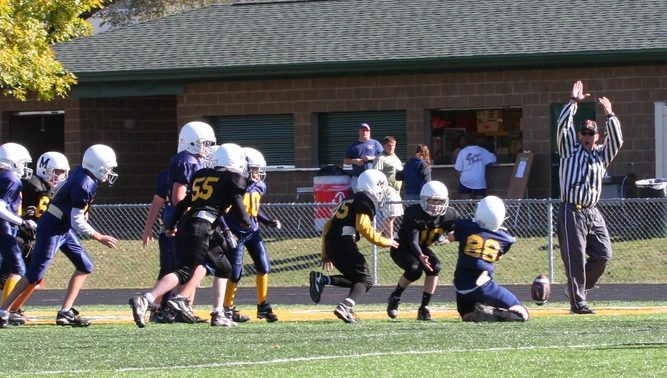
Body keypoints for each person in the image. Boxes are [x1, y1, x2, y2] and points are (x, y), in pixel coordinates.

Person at [129, 143, 252, 328]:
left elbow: (183, 203)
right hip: (202, 226)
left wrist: (171, 226)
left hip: (193, 223)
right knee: (185, 271)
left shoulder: (202, 175)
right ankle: (147, 299)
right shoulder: (233, 178)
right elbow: (238, 206)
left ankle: (218, 313)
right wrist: (246, 221)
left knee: (224, 267)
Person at [0, 144, 119, 328]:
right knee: (34, 274)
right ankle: (4, 310)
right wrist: (98, 236)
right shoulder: (84, 182)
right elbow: (77, 219)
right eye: (109, 167)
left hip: (63, 226)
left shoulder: (84, 175)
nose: (110, 171)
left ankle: (65, 312)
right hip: (52, 227)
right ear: (99, 166)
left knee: (85, 265)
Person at [557, 80, 623, 315]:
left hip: (592, 210)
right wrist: (573, 102)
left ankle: (578, 289)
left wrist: (610, 115)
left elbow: (617, 142)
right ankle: (578, 302)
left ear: (597, 136)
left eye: (591, 134)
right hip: (571, 210)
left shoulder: (601, 155)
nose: (587, 136)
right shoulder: (569, 150)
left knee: (604, 254)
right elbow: (561, 128)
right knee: (574, 258)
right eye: (584, 132)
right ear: (579, 134)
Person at [308, 169, 399, 323]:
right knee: (365, 281)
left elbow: (327, 227)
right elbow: (363, 227)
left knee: (356, 279)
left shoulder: (349, 199)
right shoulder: (366, 199)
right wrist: (385, 241)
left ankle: (322, 280)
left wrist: (325, 253)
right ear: (377, 186)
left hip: (333, 241)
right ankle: (345, 307)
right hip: (345, 243)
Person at [6, 151, 70, 325]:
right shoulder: (33, 185)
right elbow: (27, 211)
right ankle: (7, 310)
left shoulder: (48, 188)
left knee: (34, 275)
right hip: (19, 235)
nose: (59, 176)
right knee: (15, 273)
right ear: (44, 168)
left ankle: (14, 308)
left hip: (32, 236)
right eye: (56, 171)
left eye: (62, 172)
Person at [222, 147, 281, 323]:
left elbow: (253, 210)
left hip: (253, 231)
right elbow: (223, 212)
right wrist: (226, 231)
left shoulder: (259, 186)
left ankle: (263, 305)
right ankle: (227, 307)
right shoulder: (235, 185)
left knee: (264, 266)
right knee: (235, 272)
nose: (258, 173)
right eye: (255, 169)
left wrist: (267, 221)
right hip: (236, 232)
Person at [448, 195, 529, 322]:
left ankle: (491, 314)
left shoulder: (466, 227)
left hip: (461, 287)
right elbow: (498, 256)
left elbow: (450, 237)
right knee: (518, 308)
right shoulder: (505, 238)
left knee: (467, 316)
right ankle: (504, 313)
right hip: (483, 286)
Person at [386, 180, 458, 320]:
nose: (436, 206)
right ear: (424, 199)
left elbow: (458, 230)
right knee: (414, 269)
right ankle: (395, 296)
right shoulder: (414, 212)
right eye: (433, 201)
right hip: (402, 246)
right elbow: (413, 240)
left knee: (435, 267)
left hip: (422, 247)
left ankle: (424, 308)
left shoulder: (450, 215)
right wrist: (420, 256)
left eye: (440, 202)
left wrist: (455, 236)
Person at [0, 143, 35, 326]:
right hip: (3, 227)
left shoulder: (4, 177)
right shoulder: (11, 179)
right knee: (18, 270)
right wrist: (21, 222)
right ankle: (6, 311)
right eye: (22, 163)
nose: (24, 167)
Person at [372, 136, 404, 239]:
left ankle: (389, 238)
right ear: (384, 146)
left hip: (396, 190)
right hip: (387, 190)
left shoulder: (395, 157)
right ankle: (375, 234)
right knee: (390, 215)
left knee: (392, 216)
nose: (391, 148)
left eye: (393, 145)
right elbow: (375, 175)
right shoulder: (380, 158)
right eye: (389, 146)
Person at [343, 122, 383, 192]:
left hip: (372, 178)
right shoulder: (353, 145)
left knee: (372, 199)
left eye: (366, 130)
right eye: (362, 130)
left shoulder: (375, 143)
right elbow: (345, 161)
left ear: (369, 132)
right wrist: (354, 161)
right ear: (359, 132)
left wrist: (371, 158)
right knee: (358, 198)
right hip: (357, 177)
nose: (364, 132)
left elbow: (383, 157)